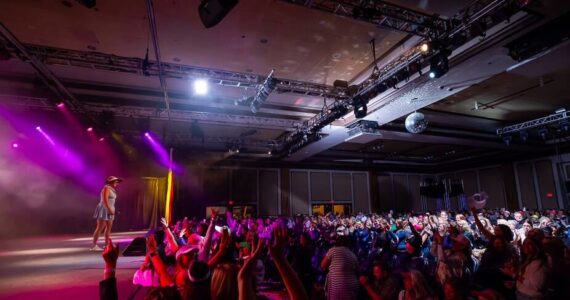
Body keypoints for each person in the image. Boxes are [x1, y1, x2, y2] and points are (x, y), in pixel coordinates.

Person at [91, 176, 122, 251]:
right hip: (104, 208)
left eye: (117, 181)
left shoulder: (112, 190)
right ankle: (94, 246)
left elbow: (111, 201)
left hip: (110, 208)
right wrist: (109, 209)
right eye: (115, 181)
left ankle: (107, 244)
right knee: (100, 228)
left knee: (109, 227)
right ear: (110, 182)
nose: (117, 183)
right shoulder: (106, 188)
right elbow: (105, 200)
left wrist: (113, 210)